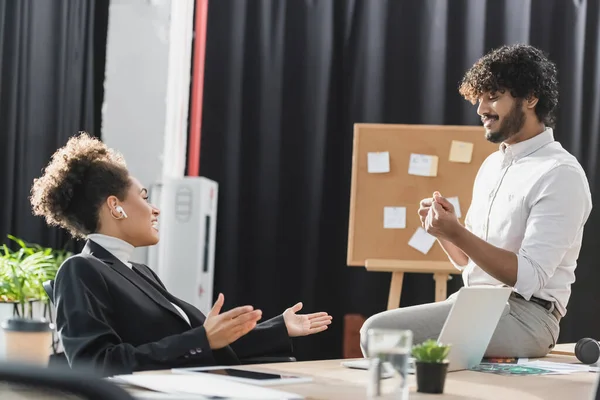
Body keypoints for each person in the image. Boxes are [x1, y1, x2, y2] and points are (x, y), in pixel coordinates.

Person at [29, 133, 332, 376]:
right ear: (115, 206)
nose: (155, 209)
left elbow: (205, 341)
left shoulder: (139, 272)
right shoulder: (80, 270)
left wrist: (278, 327)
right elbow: (95, 364)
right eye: (144, 197)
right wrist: (203, 339)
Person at [360, 44, 592, 358]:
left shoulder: (560, 173)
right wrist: (444, 231)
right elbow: (469, 263)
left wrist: (456, 232)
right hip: (475, 301)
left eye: (493, 96)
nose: (481, 109)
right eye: (478, 98)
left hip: (528, 317)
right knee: (381, 332)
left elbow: (527, 277)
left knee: (379, 332)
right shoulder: (492, 166)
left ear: (531, 97)